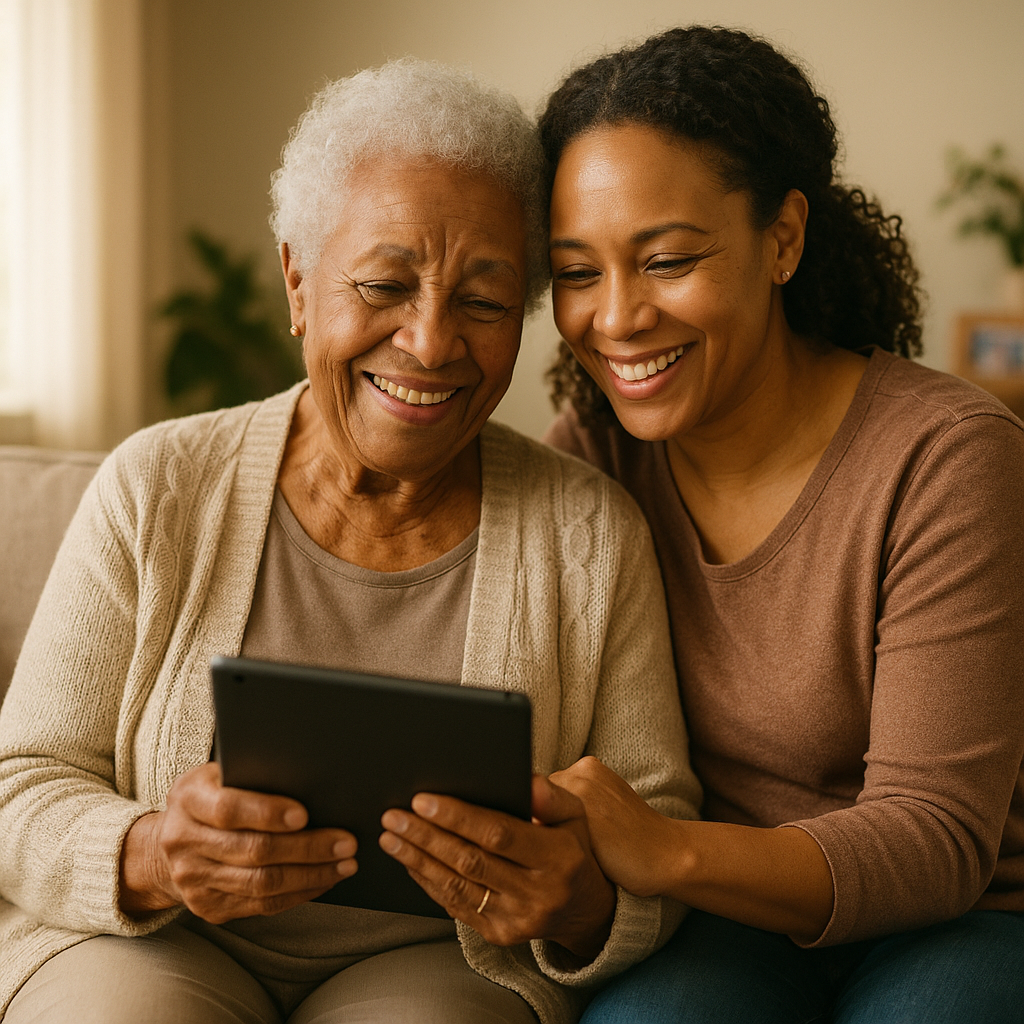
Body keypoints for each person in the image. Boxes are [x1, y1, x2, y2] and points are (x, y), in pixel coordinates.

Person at [0, 59, 700, 1024]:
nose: (428, 342)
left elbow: (656, 831)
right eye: (383, 285)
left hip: (441, 967)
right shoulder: (156, 485)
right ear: (297, 281)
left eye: (485, 303)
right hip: (161, 943)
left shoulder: (589, 536)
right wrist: (155, 852)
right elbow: (20, 783)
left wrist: (578, 901)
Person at [539, 25, 1024, 1024]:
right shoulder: (595, 455)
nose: (618, 317)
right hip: (722, 922)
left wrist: (666, 849)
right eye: (578, 273)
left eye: (666, 259)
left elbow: (935, 837)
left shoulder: (948, 455)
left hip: (965, 917)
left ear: (784, 238)